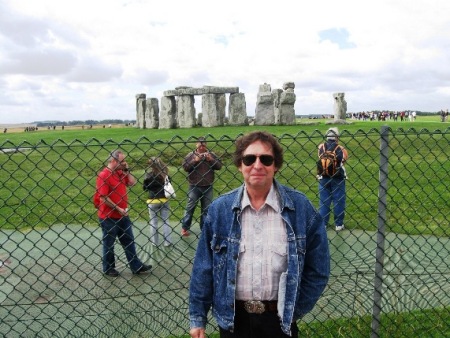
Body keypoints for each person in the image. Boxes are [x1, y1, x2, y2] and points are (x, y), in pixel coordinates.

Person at [189, 131, 330, 338]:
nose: (257, 165)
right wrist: (198, 318)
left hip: (279, 322)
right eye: (249, 159)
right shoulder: (219, 211)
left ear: (276, 165)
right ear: (239, 165)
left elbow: (318, 269)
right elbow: (203, 268)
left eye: (266, 159)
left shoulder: (301, 209)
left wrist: (294, 309)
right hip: (233, 322)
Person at [95, 150, 152, 277]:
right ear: (113, 161)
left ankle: (136, 266)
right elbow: (103, 198)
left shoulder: (120, 172)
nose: (124, 163)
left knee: (129, 241)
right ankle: (108, 268)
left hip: (122, 215)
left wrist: (126, 170)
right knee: (109, 244)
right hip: (109, 216)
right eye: (122, 161)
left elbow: (132, 183)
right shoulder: (104, 175)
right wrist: (118, 208)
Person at [181, 137, 222, 236]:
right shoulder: (190, 155)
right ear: (196, 145)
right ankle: (184, 228)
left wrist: (211, 160)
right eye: (200, 145)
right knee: (190, 208)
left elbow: (219, 166)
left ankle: (204, 228)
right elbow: (185, 167)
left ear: (206, 145)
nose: (201, 147)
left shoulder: (211, 155)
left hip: (208, 186)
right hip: (194, 186)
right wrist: (195, 160)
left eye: (203, 145)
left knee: (206, 209)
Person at [318, 127, 349, 231]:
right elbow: (344, 161)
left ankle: (323, 223)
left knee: (324, 201)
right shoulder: (341, 149)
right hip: (337, 177)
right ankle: (339, 224)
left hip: (323, 177)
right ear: (337, 137)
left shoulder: (321, 147)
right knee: (338, 200)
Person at [143, 157, 173, 247]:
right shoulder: (165, 175)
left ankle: (154, 242)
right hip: (164, 199)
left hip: (152, 200)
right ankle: (167, 242)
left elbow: (145, 188)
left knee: (153, 222)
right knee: (165, 221)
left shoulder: (148, 175)